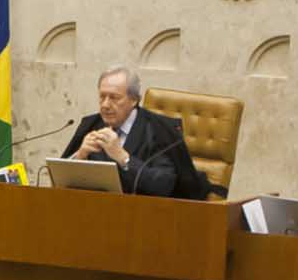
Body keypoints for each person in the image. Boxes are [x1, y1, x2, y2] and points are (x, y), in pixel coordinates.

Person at [58, 66, 203, 198]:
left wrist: (123, 158)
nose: (105, 105)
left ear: (133, 100)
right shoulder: (91, 124)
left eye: (114, 98)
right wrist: (80, 156)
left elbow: (163, 186)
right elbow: (59, 183)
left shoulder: (159, 130)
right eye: (102, 96)